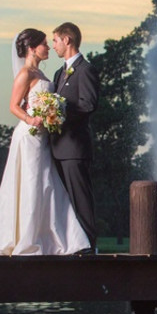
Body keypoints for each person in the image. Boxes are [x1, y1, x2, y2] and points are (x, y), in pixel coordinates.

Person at [0, 28, 91, 255]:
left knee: (46, 184)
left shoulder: (45, 75)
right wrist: (31, 119)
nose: (49, 47)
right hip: (30, 136)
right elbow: (13, 105)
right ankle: (27, 238)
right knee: (32, 182)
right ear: (32, 48)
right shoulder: (25, 73)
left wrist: (53, 114)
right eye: (44, 43)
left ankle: (50, 237)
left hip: (45, 138)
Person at [50, 22, 100, 253]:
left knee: (81, 199)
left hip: (75, 148)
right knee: (63, 201)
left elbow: (88, 104)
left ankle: (89, 246)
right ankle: (71, 245)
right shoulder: (59, 73)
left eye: (55, 41)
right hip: (57, 147)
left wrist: (59, 114)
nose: (53, 46)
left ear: (67, 40)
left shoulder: (85, 69)